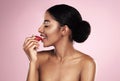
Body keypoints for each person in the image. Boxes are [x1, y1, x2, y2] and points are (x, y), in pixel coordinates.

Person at [23, 4, 96, 81]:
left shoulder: (86, 63)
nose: (39, 29)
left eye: (46, 25)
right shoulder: (38, 59)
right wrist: (33, 61)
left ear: (64, 30)